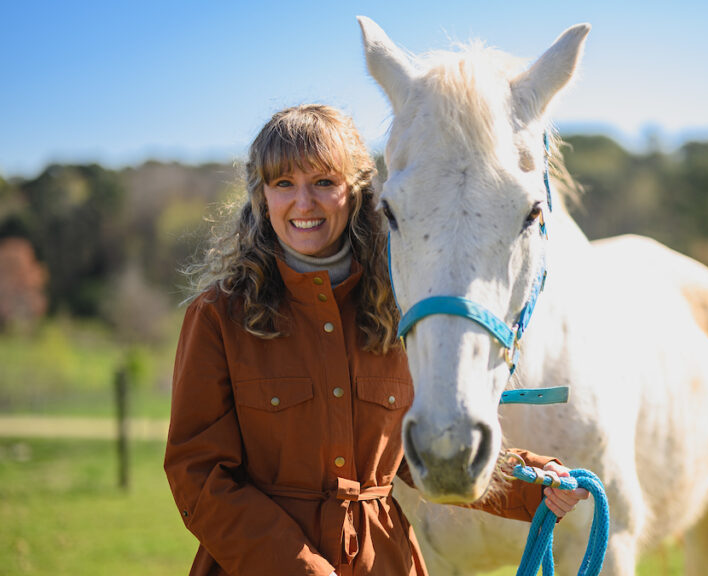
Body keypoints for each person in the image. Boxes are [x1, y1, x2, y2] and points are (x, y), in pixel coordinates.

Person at [164, 104, 587, 576]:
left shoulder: (396, 307)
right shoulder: (219, 316)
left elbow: (412, 452)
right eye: (284, 184)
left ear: (357, 191)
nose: (304, 203)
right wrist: (300, 569)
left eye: (324, 182)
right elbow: (197, 476)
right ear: (263, 196)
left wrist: (533, 482)